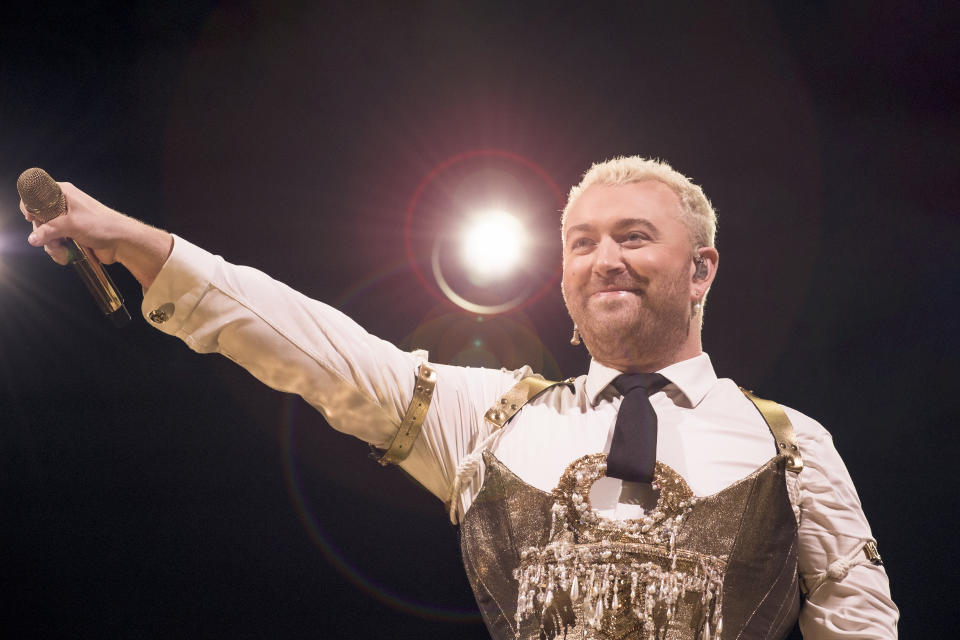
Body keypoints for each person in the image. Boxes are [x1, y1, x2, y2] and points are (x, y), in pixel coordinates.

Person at [23, 156, 898, 639]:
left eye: (636, 237)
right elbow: (319, 349)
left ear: (702, 268)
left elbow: (860, 627)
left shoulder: (787, 442)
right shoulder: (494, 421)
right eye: (584, 242)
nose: (606, 259)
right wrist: (139, 242)